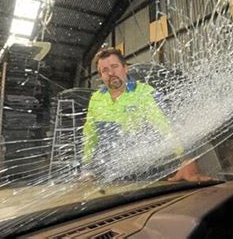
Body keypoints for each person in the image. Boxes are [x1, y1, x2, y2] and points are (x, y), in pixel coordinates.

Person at [82, 47, 211, 182]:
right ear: (101, 76)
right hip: (109, 176)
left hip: (146, 175)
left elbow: (169, 128)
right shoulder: (96, 99)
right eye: (104, 70)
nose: (111, 73)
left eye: (114, 66)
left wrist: (187, 161)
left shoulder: (145, 94)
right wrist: (86, 169)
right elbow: (90, 135)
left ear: (125, 68)